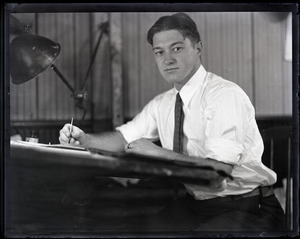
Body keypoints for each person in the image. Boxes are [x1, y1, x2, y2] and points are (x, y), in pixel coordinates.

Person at [59, 12, 285, 232]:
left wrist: (158, 153)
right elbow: (122, 139)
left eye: (176, 48)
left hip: (248, 207)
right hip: (197, 204)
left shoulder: (224, 95)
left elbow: (218, 174)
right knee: (137, 231)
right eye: (159, 52)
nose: (167, 59)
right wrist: (83, 139)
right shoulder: (163, 103)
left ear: (198, 48)